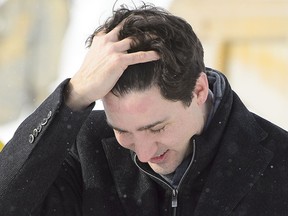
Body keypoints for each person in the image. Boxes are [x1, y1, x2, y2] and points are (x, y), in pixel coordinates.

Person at [0, 4, 288, 216]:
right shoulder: (84, 145)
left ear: (199, 90)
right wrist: (75, 96)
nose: (145, 154)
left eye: (157, 127)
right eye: (123, 131)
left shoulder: (281, 163)